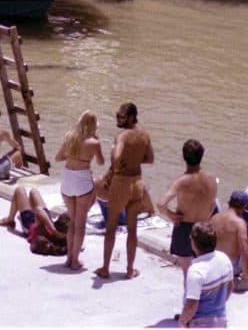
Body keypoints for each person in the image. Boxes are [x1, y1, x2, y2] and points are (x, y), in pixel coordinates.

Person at [96, 102, 155, 280]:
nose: (117, 119)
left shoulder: (122, 136)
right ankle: (129, 270)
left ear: (130, 117)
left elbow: (116, 157)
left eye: (121, 116)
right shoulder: (144, 135)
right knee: (132, 229)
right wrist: (133, 161)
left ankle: (105, 268)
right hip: (137, 182)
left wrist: (116, 165)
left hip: (121, 183)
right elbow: (150, 158)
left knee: (111, 227)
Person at [157, 139, 219, 283]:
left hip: (185, 228)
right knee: (205, 271)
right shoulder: (212, 179)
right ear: (202, 156)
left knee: (188, 274)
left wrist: (171, 215)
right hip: (205, 227)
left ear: (183, 157)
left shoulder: (181, 181)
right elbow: (212, 204)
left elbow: (161, 204)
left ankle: (190, 301)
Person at [54, 110, 104, 271]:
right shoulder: (93, 142)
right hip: (82, 181)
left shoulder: (69, 137)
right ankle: (75, 260)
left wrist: (72, 155)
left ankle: (69, 258)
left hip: (67, 181)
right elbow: (101, 162)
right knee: (80, 224)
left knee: (72, 222)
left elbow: (58, 158)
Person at [177, 222, 234, 328]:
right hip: (221, 320)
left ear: (193, 243)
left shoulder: (196, 271)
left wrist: (182, 322)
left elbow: (191, 305)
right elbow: (230, 287)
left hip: (200, 322)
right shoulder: (224, 258)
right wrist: (217, 306)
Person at [0, 185, 70, 256]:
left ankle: (10, 219)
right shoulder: (66, 237)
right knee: (33, 192)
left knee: (20, 190)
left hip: (31, 224)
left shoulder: (47, 234)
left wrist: (54, 230)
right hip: (44, 219)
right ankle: (28, 209)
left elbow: (38, 210)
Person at [210, 191, 248, 288]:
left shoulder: (215, 218)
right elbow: (245, 250)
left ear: (229, 202)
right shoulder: (240, 223)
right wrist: (245, 275)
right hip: (229, 267)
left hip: (213, 262)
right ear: (245, 206)